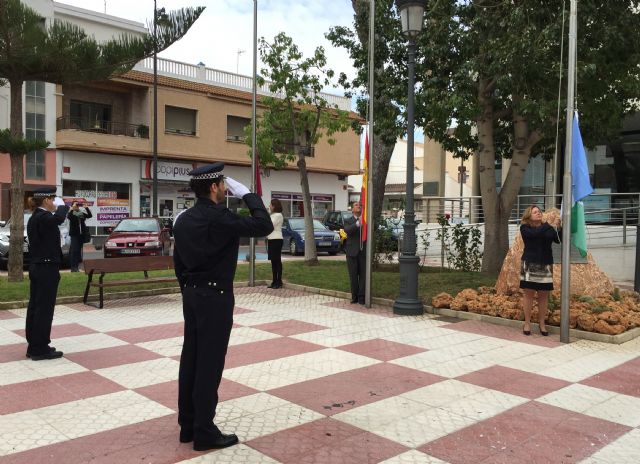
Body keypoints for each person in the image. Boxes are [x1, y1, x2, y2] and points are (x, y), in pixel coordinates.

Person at [172, 162, 273, 451]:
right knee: (209, 362)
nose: (226, 189)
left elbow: (178, 262)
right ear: (214, 187)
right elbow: (263, 225)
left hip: (191, 294)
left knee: (190, 358)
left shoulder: (183, 219)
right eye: (223, 185)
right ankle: (204, 431)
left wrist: (187, 290)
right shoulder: (220, 217)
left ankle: (187, 425)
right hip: (215, 297)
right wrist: (249, 196)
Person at [25, 187, 69, 360]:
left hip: (40, 267)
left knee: (36, 307)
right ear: (45, 201)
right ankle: (39, 348)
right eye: (53, 199)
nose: (54, 203)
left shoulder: (37, 217)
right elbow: (58, 218)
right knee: (44, 308)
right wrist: (64, 206)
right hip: (45, 268)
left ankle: (35, 345)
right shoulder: (43, 217)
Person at [520, 205, 561, 336]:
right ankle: (527, 323)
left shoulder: (548, 228)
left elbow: (558, 240)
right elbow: (535, 234)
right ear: (529, 216)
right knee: (528, 295)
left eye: (539, 212)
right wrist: (548, 226)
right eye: (535, 212)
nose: (539, 213)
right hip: (529, 264)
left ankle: (542, 323)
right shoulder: (525, 228)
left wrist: (560, 227)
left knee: (543, 296)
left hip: (545, 264)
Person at [344, 201, 366, 304]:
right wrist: (357, 224)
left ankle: (362, 297)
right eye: (356, 205)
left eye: (360, 205)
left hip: (363, 251)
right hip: (351, 252)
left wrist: (363, 222)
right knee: (353, 276)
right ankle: (354, 296)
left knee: (363, 275)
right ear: (352, 209)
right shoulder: (348, 220)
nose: (359, 207)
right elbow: (348, 230)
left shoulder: (365, 220)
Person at [67, 202, 92, 272]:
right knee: (74, 251)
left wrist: (86, 207)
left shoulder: (81, 214)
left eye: (77, 206)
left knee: (78, 251)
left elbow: (90, 215)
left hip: (81, 235)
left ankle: (77, 267)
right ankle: (73, 267)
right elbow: (69, 216)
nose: (77, 207)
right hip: (74, 235)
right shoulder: (72, 213)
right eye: (75, 206)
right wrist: (72, 208)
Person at [266, 198, 284, 289]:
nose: (269, 206)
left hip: (276, 239)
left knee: (277, 261)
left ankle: (279, 281)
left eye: (270, 205)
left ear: (274, 206)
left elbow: (270, 225)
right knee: (273, 261)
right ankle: (274, 281)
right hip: (271, 239)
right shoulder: (272, 215)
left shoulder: (278, 215)